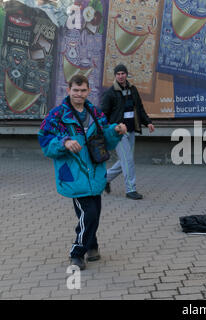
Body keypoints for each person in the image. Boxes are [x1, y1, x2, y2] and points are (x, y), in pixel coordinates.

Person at [38, 75, 128, 270]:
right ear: (68, 89)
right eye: (75, 90)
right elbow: (45, 143)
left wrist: (116, 130)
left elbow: (107, 141)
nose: (79, 94)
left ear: (88, 91)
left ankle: (92, 245)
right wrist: (64, 143)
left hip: (95, 173)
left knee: (93, 214)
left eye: (83, 90)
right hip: (74, 175)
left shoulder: (96, 113)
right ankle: (77, 252)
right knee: (90, 214)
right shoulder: (57, 115)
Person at [101, 64, 155, 200]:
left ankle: (104, 179)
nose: (120, 76)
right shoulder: (110, 92)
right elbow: (103, 114)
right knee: (128, 160)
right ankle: (131, 189)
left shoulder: (133, 89)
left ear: (126, 74)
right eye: (118, 74)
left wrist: (148, 122)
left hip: (131, 130)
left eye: (122, 73)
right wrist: (109, 130)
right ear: (115, 76)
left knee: (125, 160)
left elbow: (140, 108)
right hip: (118, 132)